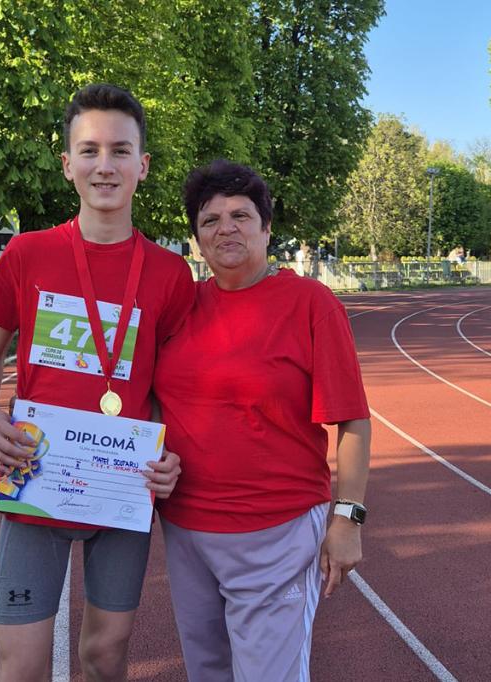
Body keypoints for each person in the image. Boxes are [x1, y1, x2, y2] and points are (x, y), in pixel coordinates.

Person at [0, 84, 195, 682]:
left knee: (105, 655)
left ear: (142, 165)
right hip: (36, 476)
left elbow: (175, 390)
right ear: (68, 164)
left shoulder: (172, 275)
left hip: (123, 486)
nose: (105, 165)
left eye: (121, 151)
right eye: (90, 150)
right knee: (21, 665)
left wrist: (170, 453)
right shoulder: (27, 254)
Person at [153, 160, 372, 682]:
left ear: (267, 228)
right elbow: (156, 398)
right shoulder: (180, 307)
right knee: (208, 672)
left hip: (277, 531)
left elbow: (353, 421)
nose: (225, 228)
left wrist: (347, 519)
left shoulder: (310, 304)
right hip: (187, 529)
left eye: (240, 216)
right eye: (210, 220)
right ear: (197, 239)